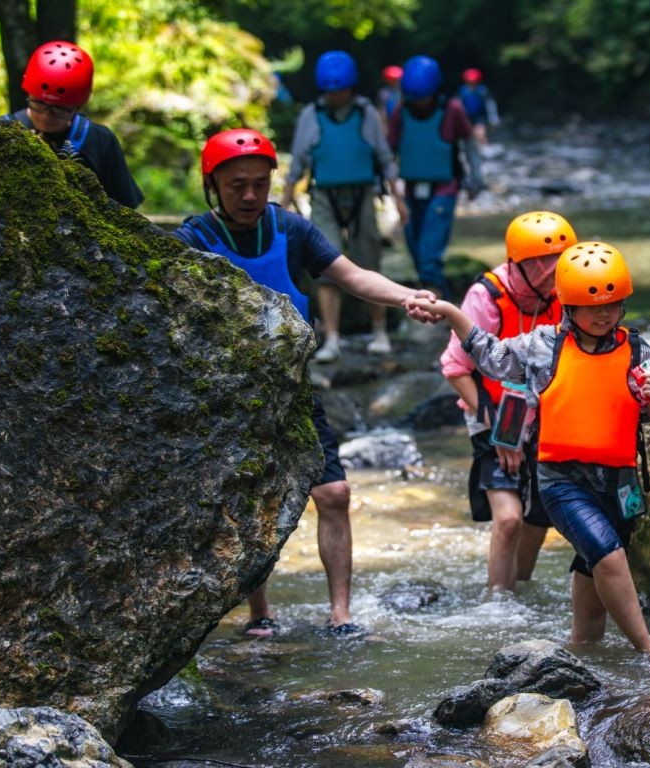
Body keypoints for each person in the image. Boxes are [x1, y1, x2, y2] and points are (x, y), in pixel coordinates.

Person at [172, 128, 439, 638]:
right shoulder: (195, 239)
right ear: (213, 186)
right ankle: (259, 612)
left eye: (259, 184)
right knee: (247, 505)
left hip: (293, 392)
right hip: (229, 401)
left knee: (335, 492)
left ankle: (340, 613)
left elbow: (353, 276)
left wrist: (407, 295)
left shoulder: (291, 230)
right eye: (236, 186)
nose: (250, 196)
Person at [412, 241, 650, 660]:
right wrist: (454, 315)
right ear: (569, 307)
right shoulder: (544, 347)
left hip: (619, 482)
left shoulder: (638, 350)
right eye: (591, 306)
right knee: (607, 554)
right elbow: (492, 359)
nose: (603, 315)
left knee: (592, 569)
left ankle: (585, 654)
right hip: (563, 480)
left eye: (612, 304)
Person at [439, 211, 575, 591]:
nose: (553, 270)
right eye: (542, 261)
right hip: (490, 412)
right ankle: (498, 605)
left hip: (543, 414)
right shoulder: (487, 296)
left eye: (560, 260)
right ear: (518, 262)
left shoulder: (566, 293)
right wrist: (502, 433)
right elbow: (455, 367)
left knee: (538, 516)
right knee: (511, 518)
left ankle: (520, 589)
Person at [281, 50, 410, 362]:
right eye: (331, 90)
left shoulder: (366, 114)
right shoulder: (311, 115)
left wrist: (399, 200)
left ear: (351, 87)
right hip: (324, 197)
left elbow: (383, 159)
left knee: (369, 261)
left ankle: (380, 332)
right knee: (325, 267)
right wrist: (284, 202)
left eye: (341, 89)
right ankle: (332, 338)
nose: (337, 95)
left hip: (362, 195)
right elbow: (298, 163)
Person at [4, 40, 143, 208]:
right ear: (29, 93)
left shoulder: (99, 140)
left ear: (79, 105)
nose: (47, 115)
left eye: (60, 108)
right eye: (39, 103)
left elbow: (125, 208)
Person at [387, 54, 482, 299]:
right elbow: (388, 150)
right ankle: (437, 302)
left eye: (423, 98)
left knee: (429, 255)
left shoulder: (452, 110)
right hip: (410, 190)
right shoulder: (401, 112)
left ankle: (441, 308)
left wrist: (475, 179)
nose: (419, 103)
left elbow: (470, 145)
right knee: (416, 252)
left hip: (444, 189)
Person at [457, 68, 500, 145]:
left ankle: (484, 149)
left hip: (479, 116)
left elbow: (490, 104)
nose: (472, 83)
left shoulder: (482, 90)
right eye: (470, 81)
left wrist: (493, 116)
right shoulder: (462, 91)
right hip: (466, 116)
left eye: (474, 81)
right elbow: (458, 104)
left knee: (480, 132)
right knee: (468, 135)